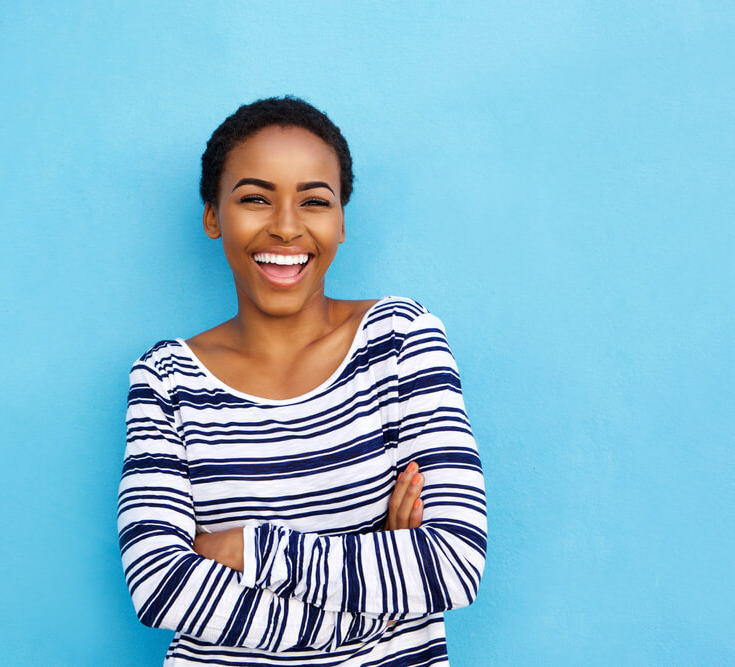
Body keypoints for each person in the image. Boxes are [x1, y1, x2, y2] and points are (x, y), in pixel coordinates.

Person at [117, 96, 486, 666]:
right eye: (255, 198)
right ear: (214, 215)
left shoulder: (400, 340)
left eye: (314, 201)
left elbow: (453, 565)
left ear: (341, 222)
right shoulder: (166, 379)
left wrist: (246, 548)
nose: (286, 227)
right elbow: (159, 585)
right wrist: (376, 602)